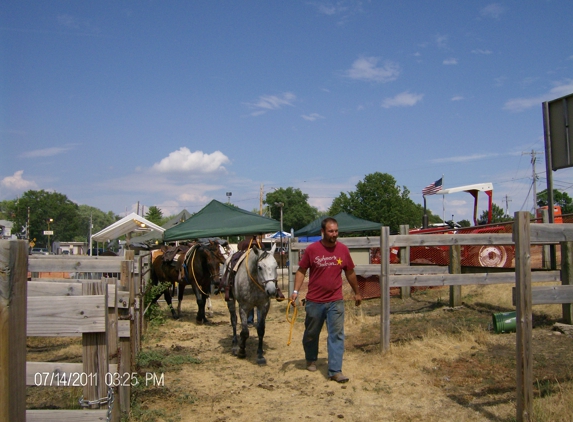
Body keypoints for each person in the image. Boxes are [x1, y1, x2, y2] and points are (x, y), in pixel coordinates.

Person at [290, 217, 362, 383]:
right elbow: (301, 270)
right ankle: (311, 358)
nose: (334, 234)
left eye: (336, 231)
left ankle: (335, 370)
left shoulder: (343, 250)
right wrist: (295, 291)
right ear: (323, 232)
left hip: (335, 300)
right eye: (331, 231)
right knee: (311, 333)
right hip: (315, 300)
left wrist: (357, 292)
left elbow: (350, 272)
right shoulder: (312, 250)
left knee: (336, 335)